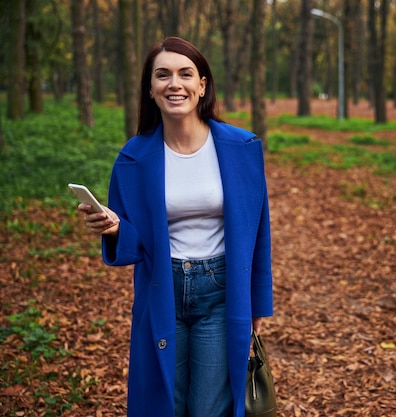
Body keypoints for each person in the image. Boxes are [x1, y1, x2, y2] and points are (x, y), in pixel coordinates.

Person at [78, 36, 273, 417]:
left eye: (186, 74)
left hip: (222, 290)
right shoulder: (132, 158)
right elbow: (136, 245)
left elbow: (258, 231)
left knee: (209, 407)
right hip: (161, 287)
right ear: (150, 89)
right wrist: (115, 228)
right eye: (162, 75)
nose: (174, 84)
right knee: (165, 401)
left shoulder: (242, 147)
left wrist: (259, 302)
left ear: (202, 85)